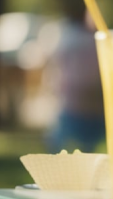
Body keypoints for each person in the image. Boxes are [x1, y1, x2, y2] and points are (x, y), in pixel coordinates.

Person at [45, 10, 105, 153]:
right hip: (76, 103)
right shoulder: (85, 40)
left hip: (87, 104)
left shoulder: (71, 37)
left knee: (84, 145)